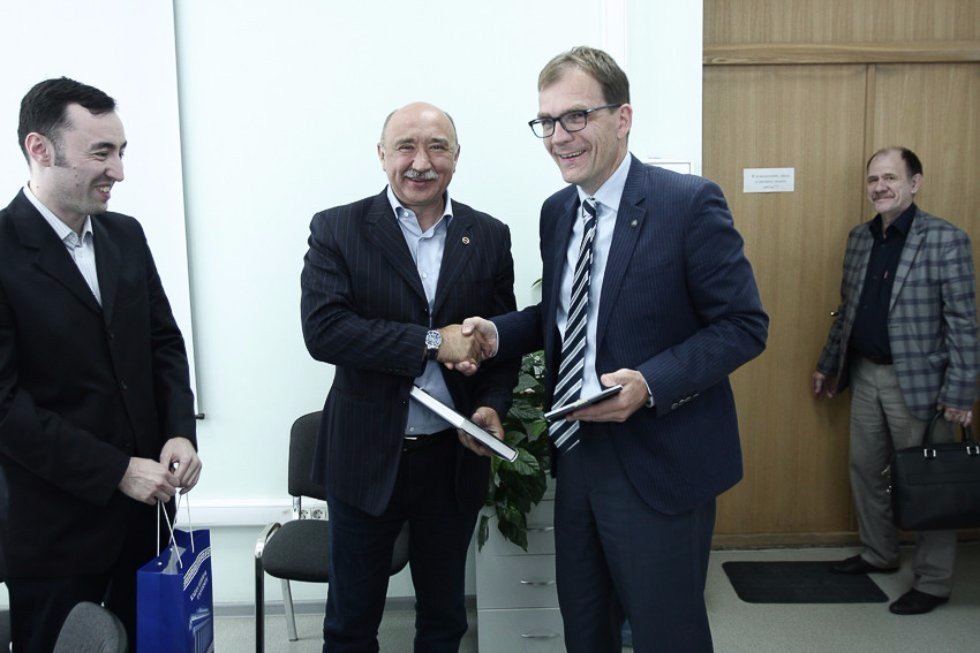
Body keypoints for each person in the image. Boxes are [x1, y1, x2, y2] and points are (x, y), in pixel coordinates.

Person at [449, 47, 768, 652]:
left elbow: (742, 325)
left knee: (666, 635)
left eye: (576, 116)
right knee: (586, 628)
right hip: (579, 457)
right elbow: (564, 315)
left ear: (622, 118)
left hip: (661, 461)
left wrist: (650, 384)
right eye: (547, 121)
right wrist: (497, 333)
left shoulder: (688, 203)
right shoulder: (558, 213)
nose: (558, 137)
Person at [300, 101, 519, 652]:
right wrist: (431, 342)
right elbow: (325, 332)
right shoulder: (337, 228)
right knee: (350, 625)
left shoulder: (489, 236)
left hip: (451, 459)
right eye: (406, 147)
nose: (421, 162)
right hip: (365, 455)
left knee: (444, 620)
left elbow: (500, 345)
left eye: (437, 147)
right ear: (382, 155)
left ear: (456, 156)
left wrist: (491, 405)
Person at [0, 78, 201, 651]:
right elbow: (5, 407)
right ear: (40, 149)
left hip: (146, 521)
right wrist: (116, 470)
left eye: (121, 151)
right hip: (55, 534)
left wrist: (179, 432)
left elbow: (164, 344)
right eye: (101, 153)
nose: (118, 171)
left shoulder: (124, 235)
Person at [813, 146, 978, 615]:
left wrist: (961, 393)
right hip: (865, 373)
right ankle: (879, 552)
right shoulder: (860, 238)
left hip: (921, 384)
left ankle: (934, 581)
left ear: (915, 183)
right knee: (865, 469)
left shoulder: (946, 239)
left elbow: (964, 322)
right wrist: (828, 364)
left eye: (890, 178)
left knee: (928, 483)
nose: (880, 187)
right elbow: (847, 309)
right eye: (873, 180)